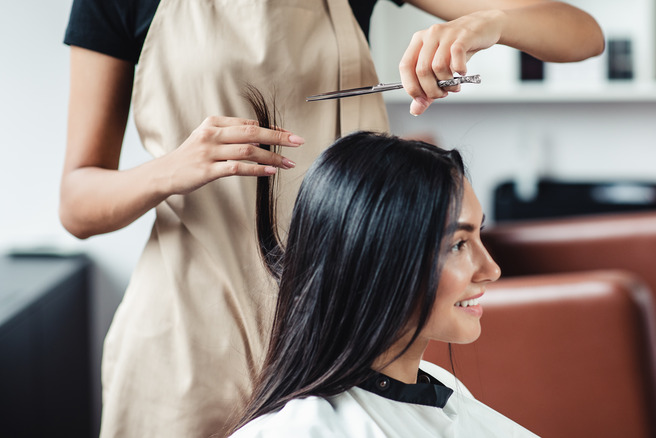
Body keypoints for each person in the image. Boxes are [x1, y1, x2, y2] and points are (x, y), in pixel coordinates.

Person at [61, 0, 603, 436]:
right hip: (191, 330)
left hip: (345, 326)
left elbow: (583, 34)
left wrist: (489, 22)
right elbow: (77, 204)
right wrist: (171, 168)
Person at [229, 128, 527, 437]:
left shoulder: (445, 388)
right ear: (375, 258)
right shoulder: (303, 430)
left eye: (479, 234)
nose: (491, 270)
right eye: (457, 244)